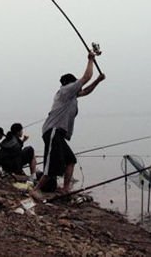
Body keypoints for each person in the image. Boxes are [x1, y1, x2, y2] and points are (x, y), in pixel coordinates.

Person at [32, 52, 105, 198]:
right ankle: (36, 190)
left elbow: (86, 91)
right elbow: (85, 78)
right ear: (70, 84)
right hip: (52, 131)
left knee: (70, 160)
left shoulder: (72, 96)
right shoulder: (65, 91)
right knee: (51, 164)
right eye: (75, 83)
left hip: (59, 133)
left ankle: (65, 189)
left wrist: (98, 81)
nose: (78, 86)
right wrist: (90, 60)